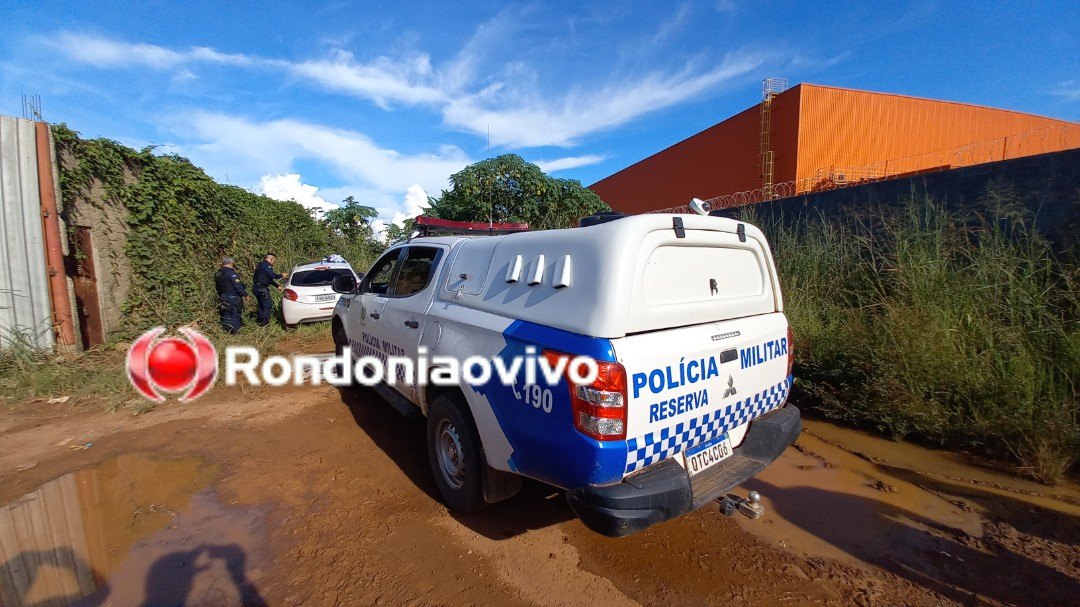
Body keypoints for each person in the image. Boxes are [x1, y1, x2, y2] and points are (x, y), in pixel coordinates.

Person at [214, 257, 248, 333]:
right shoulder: (231, 272)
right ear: (231, 263)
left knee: (226, 313)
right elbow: (237, 285)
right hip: (233, 296)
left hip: (223, 296)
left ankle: (227, 330)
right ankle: (235, 331)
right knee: (235, 314)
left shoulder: (218, 273)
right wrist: (245, 294)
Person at [252, 252, 285, 327]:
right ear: (271, 259)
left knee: (261, 305)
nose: (274, 263)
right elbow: (273, 276)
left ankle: (260, 321)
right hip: (262, 289)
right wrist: (281, 275)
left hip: (256, 288)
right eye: (274, 261)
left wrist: (277, 285)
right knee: (267, 306)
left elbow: (267, 279)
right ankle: (265, 323)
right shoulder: (267, 266)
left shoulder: (260, 265)